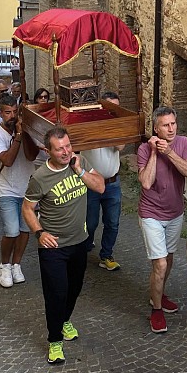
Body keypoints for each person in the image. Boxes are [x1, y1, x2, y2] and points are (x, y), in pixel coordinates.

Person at [22, 126, 105, 364]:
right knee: (56, 294)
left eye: (68, 146)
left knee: (74, 289)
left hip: (79, 242)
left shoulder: (79, 162)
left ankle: (65, 319)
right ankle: (55, 341)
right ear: (47, 151)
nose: (66, 152)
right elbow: (27, 208)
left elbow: (100, 186)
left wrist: (80, 171)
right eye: (60, 149)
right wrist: (39, 233)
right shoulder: (40, 178)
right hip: (53, 248)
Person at [137, 105, 187, 334]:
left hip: (175, 213)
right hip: (151, 213)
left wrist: (170, 153)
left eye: (173, 123)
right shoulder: (144, 149)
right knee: (160, 263)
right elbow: (146, 182)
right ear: (156, 128)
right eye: (165, 125)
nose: (171, 129)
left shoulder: (183, 143)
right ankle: (156, 310)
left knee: (168, 259)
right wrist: (155, 153)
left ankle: (158, 294)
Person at [0, 95, 39, 288]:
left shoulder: (26, 130)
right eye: (8, 112)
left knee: (25, 230)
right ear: (0, 114)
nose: (12, 116)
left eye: (15, 112)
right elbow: (8, 161)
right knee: (11, 230)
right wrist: (17, 135)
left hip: (27, 188)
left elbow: (31, 155)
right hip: (6, 188)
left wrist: (25, 134)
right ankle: (5, 265)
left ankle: (17, 264)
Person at [82, 91, 125, 271]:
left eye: (116, 107)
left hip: (112, 183)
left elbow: (120, 146)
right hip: (91, 183)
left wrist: (110, 127)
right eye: (110, 107)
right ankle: (85, 245)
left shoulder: (118, 126)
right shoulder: (88, 124)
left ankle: (106, 255)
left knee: (112, 222)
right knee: (90, 222)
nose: (114, 111)